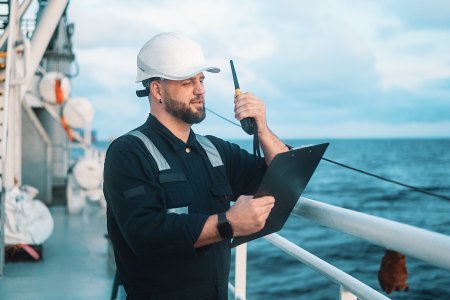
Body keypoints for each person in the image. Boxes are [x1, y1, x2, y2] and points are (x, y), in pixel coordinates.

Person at [103, 32, 289, 300]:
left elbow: (282, 177)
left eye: (201, 80)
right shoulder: (128, 152)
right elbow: (144, 233)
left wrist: (262, 128)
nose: (200, 90)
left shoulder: (215, 149)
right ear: (157, 90)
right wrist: (228, 223)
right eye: (187, 82)